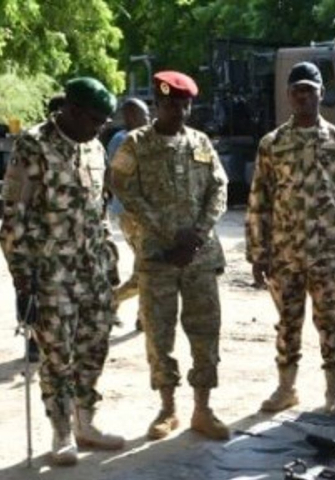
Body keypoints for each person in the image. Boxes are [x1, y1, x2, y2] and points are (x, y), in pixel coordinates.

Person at [0, 77, 123, 466]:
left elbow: (100, 210)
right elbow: (13, 218)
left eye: (103, 122)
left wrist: (110, 262)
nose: (99, 128)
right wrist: (22, 279)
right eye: (94, 119)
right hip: (51, 273)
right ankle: (61, 430)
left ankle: (86, 422)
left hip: (93, 269)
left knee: (94, 346)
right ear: (71, 110)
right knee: (57, 355)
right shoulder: (32, 145)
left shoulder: (95, 148)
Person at [111, 71, 230, 442]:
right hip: (158, 256)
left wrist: (198, 233)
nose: (178, 112)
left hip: (199, 256)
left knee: (205, 331)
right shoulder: (135, 144)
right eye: (170, 105)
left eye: (184, 105)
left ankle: (202, 409)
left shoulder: (201, 142)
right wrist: (168, 232)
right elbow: (123, 189)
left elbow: (219, 188)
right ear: (157, 105)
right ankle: (167, 409)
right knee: (159, 334)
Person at [245, 61, 335, 414]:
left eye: (309, 90)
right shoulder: (272, 144)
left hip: (329, 253)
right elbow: (259, 200)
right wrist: (258, 253)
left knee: (331, 321)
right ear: (288, 95)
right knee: (288, 323)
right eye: (297, 90)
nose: (303, 96)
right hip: (285, 253)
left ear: (321, 94)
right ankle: (286, 388)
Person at [106, 97, 150, 311]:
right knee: (146, 267)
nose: (149, 119)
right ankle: (113, 300)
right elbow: (116, 178)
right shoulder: (122, 140)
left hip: (143, 213)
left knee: (147, 266)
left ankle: (142, 315)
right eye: (145, 115)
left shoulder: (144, 138)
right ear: (131, 116)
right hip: (130, 213)